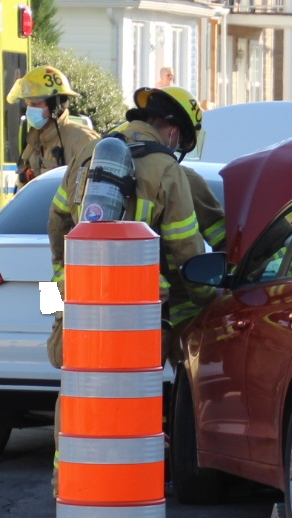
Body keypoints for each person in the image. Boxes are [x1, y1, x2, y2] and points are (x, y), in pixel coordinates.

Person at [46, 86, 208, 365]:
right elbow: (185, 245)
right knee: (130, 379)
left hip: (81, 293)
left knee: (78, 374)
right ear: (173, 131)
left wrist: (64, 274)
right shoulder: (166, 167)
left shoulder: (87, 151)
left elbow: (57, 221)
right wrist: (207, 296)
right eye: (180, 142)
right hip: (135, 304)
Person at [8, 65, 100, 184]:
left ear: (54, 106)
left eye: (35, 104)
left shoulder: (84, 140)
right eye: (28, 103)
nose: (30, 109)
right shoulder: (34, 142)